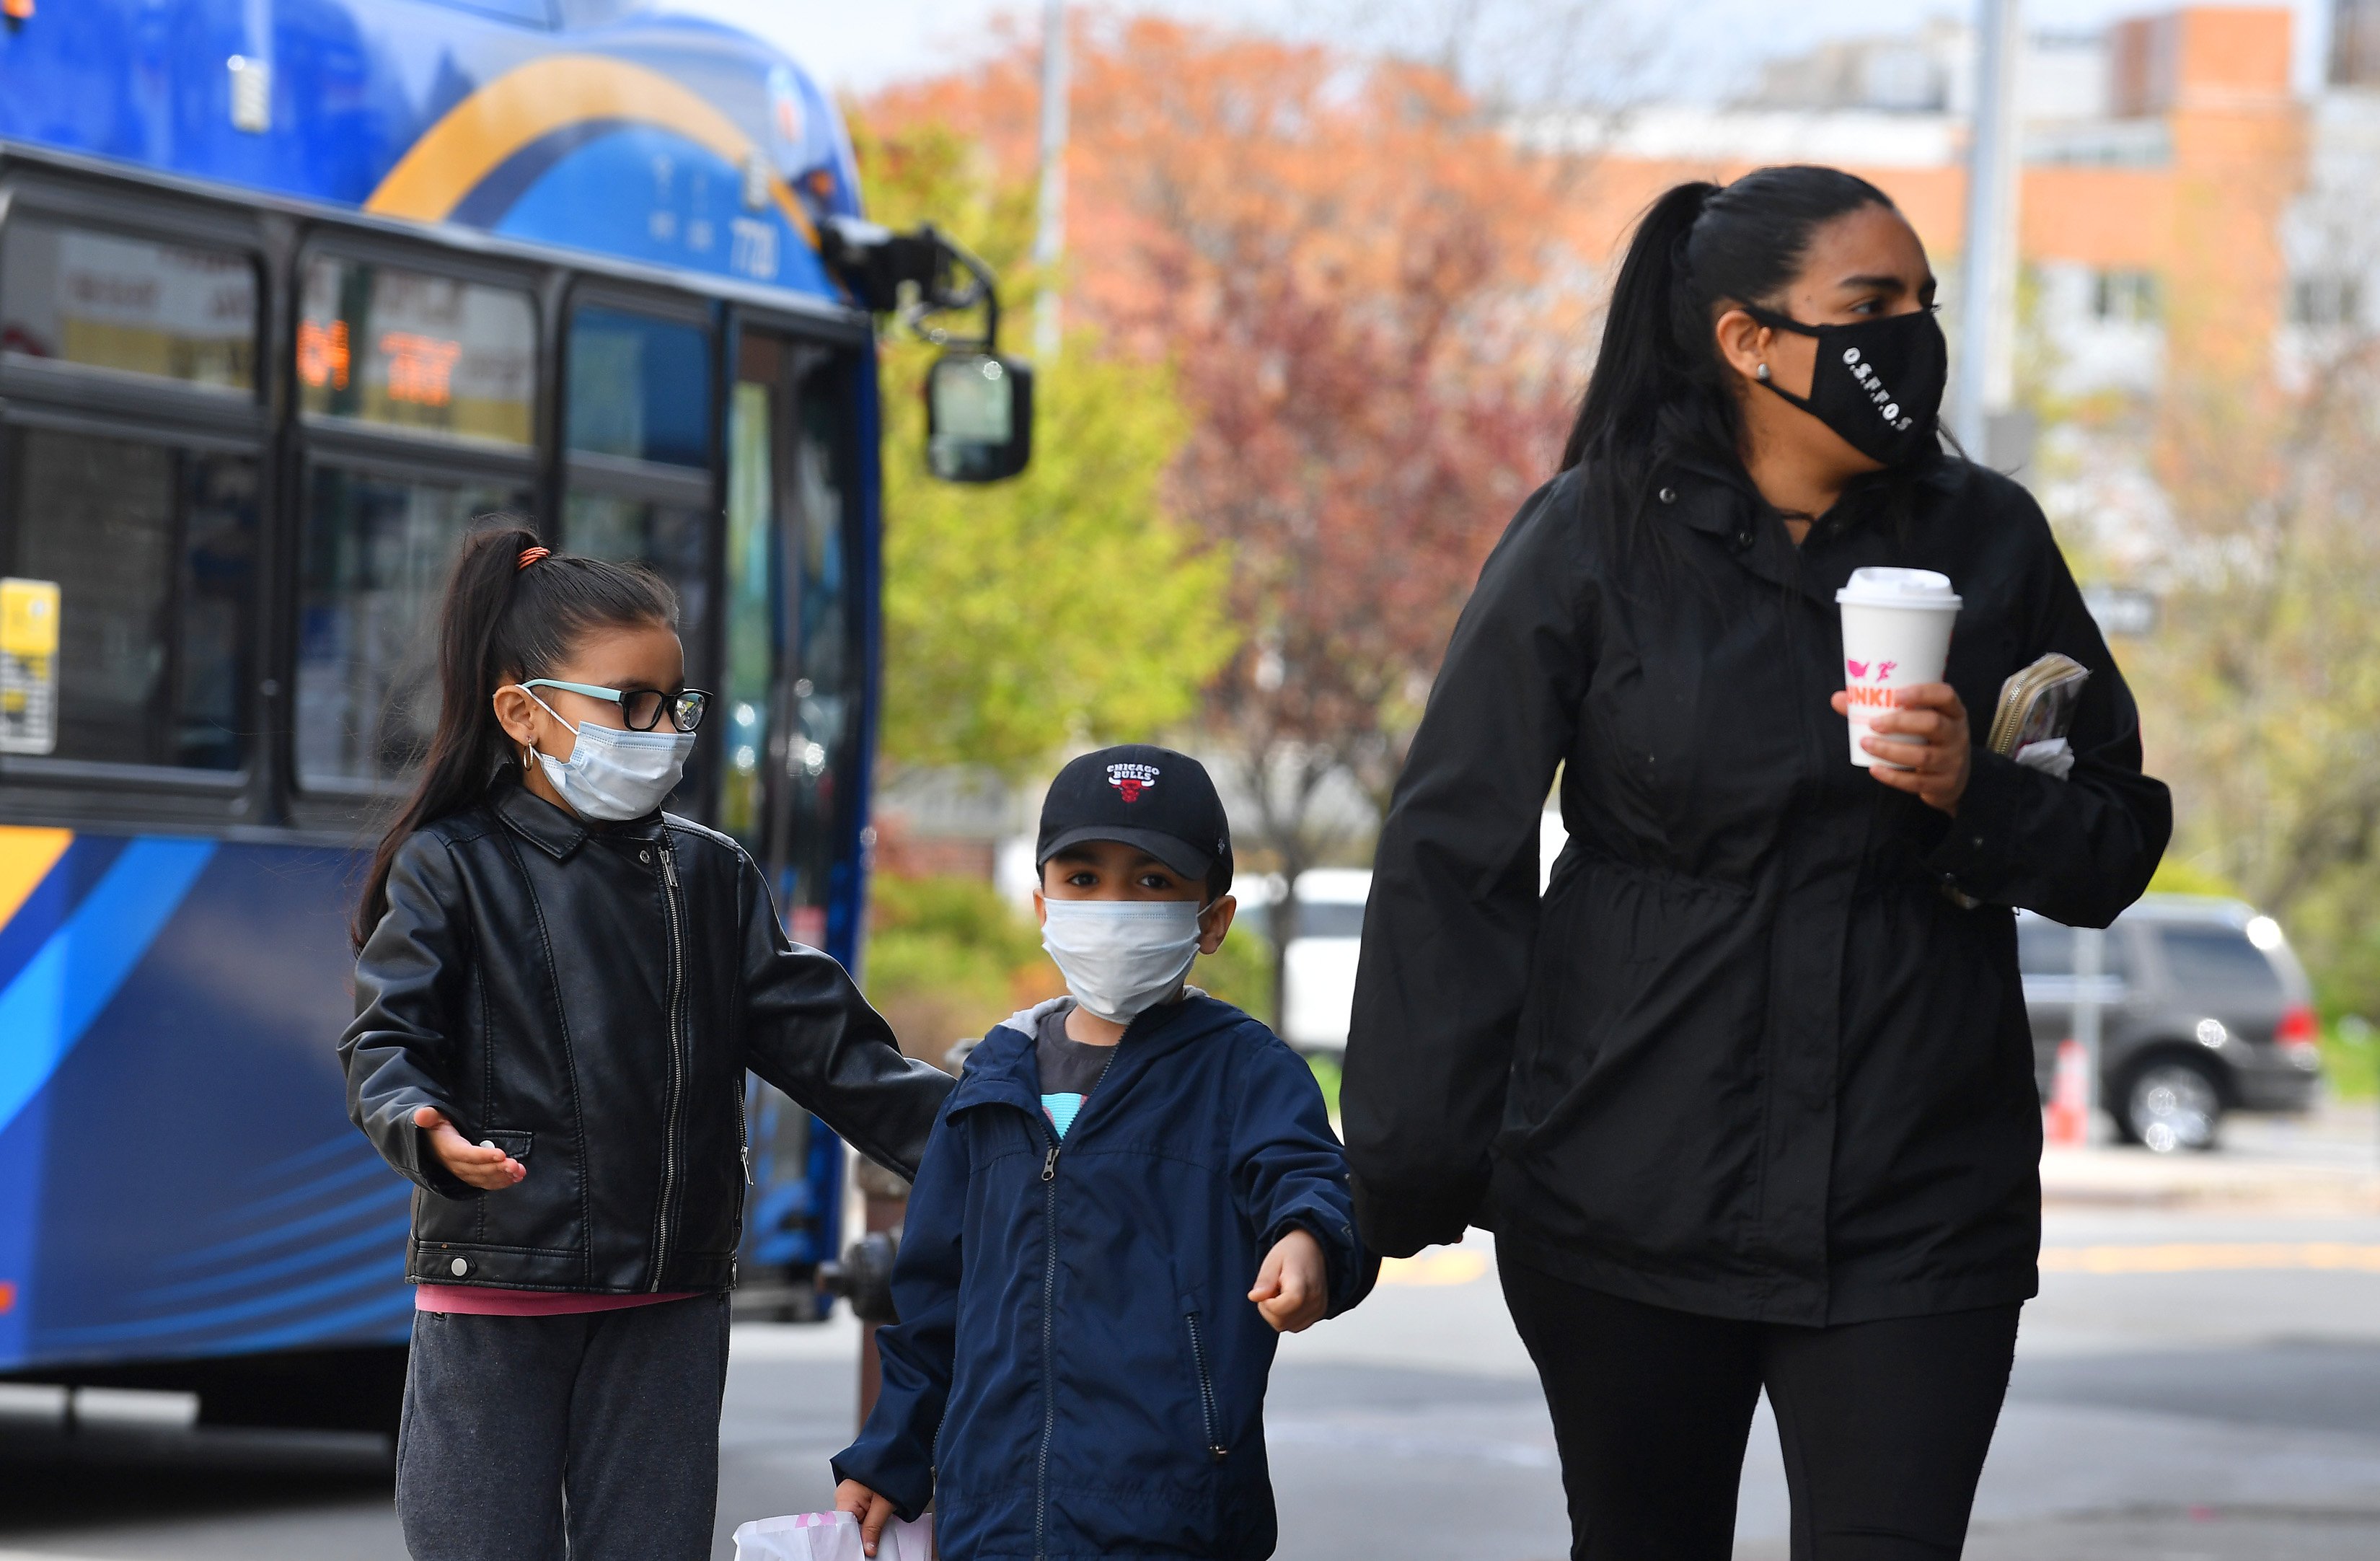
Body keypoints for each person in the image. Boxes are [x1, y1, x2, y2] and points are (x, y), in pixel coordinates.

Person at [1342, 167, 2172, 1560]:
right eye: (1870, 307)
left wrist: (1971, 789)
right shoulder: (1591, 535)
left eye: (1921, 303)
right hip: (1626, 1185)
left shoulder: (1991, 538)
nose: (1910, 335)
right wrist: (1408, 1164)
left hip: (1918, 1196)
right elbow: (1452, 843)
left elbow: (2113, 838)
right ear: (1748, 339)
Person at [340, 524, 951, 1561]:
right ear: (522, 714)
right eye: (633, 704)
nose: (664, 730)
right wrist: (421, 1125)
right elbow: (385, 1039)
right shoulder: (451, 865)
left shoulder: (713, 878)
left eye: (678, 705)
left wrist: (1001, 1130)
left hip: (669, 1296)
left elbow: (840, 1058)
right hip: (498, 1289)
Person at [829, 744, 1372, 1560]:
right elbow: (930, 1304)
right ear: (1045, 906)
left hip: (1173, 1517)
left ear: (1213, 919)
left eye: (1153, 881)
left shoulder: (1244, 1070)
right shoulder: (991, 1082)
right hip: (993, 1519)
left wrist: (1308, 1240)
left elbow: (1309, 1177)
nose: (1115, 904)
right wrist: (889, 1455)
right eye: (1084, 879)